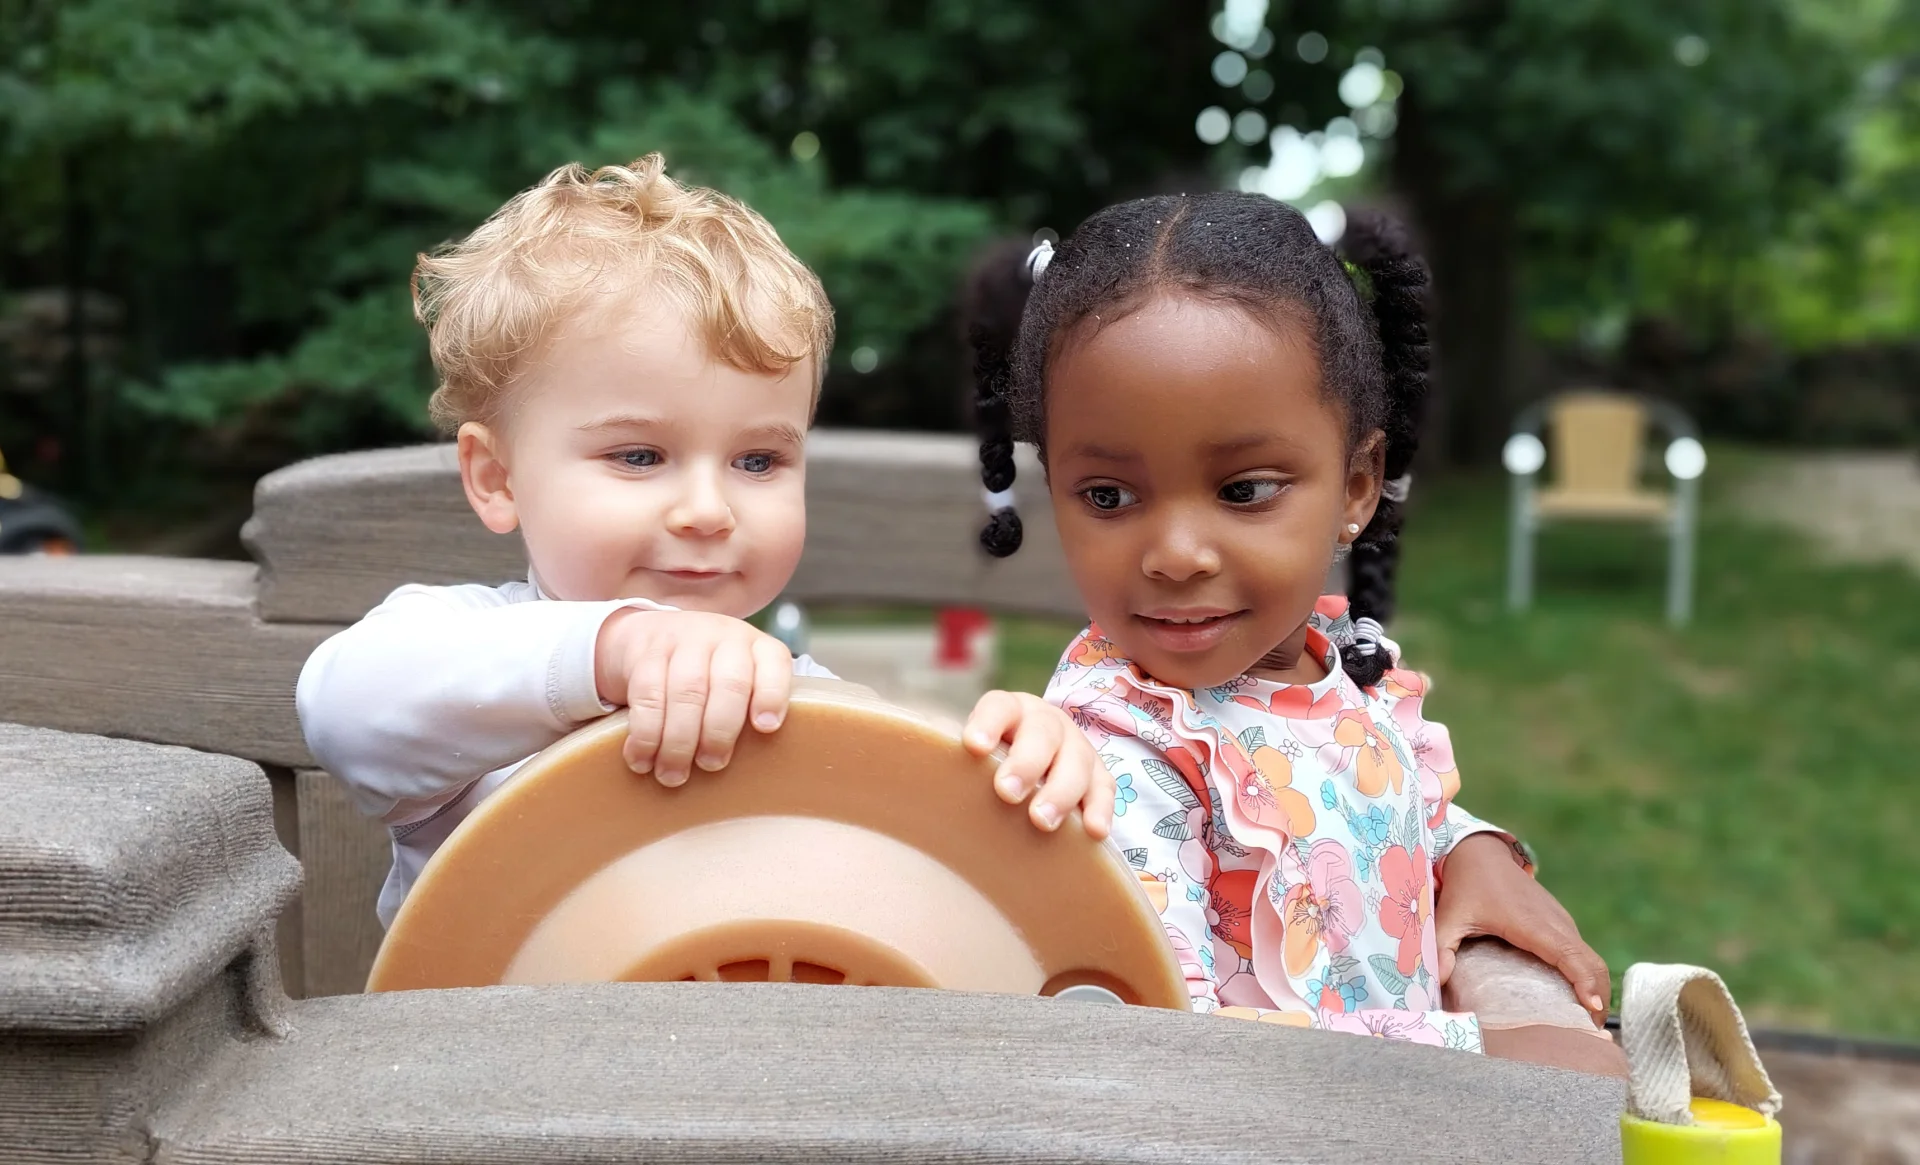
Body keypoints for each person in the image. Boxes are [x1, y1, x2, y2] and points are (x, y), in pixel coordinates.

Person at [297, 155, 1110, 929]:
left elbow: (925, 846)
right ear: (498, 478)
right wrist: (618, 650)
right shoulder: (470, 655)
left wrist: (1008, 765)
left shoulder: (797, 699)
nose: (707, 510)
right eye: (639, 455)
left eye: (757, 460)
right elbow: (343, 709)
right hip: (484, 1064)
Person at [965, 195, 1617, 1061]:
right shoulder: (1113, 759)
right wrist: (1497, 1057)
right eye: (1109, 497)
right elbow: (1166, 1043)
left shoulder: (1341, 668)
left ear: (1357, 485)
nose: (1178, 553)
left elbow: (1375, 817)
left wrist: (1475, 850)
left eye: (1243, 490)